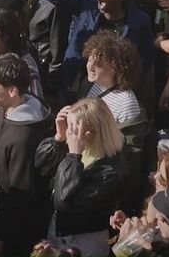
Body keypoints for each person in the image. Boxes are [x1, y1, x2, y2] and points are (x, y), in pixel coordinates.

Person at [35, 98, 126, 256]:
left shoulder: (111, 170)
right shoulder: (76, 147)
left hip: (85, 241)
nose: (69, 133)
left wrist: (73, 155)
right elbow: (41, 166)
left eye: (73, 128)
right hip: (58, 230)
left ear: (91, 133)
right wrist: (59, 138)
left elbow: (64, 201)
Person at [0, 53, 51, 255]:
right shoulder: (1, 109)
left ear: (12, 91)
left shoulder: (24, 136)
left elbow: (21, 193)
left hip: (14, 232)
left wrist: (1, 233)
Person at [82, 32, 143, 124]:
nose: (90, 67)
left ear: (115, 68)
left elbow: (130, 133)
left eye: (98, 64)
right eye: (90, 60)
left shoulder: (126, 103)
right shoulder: (88, 84)